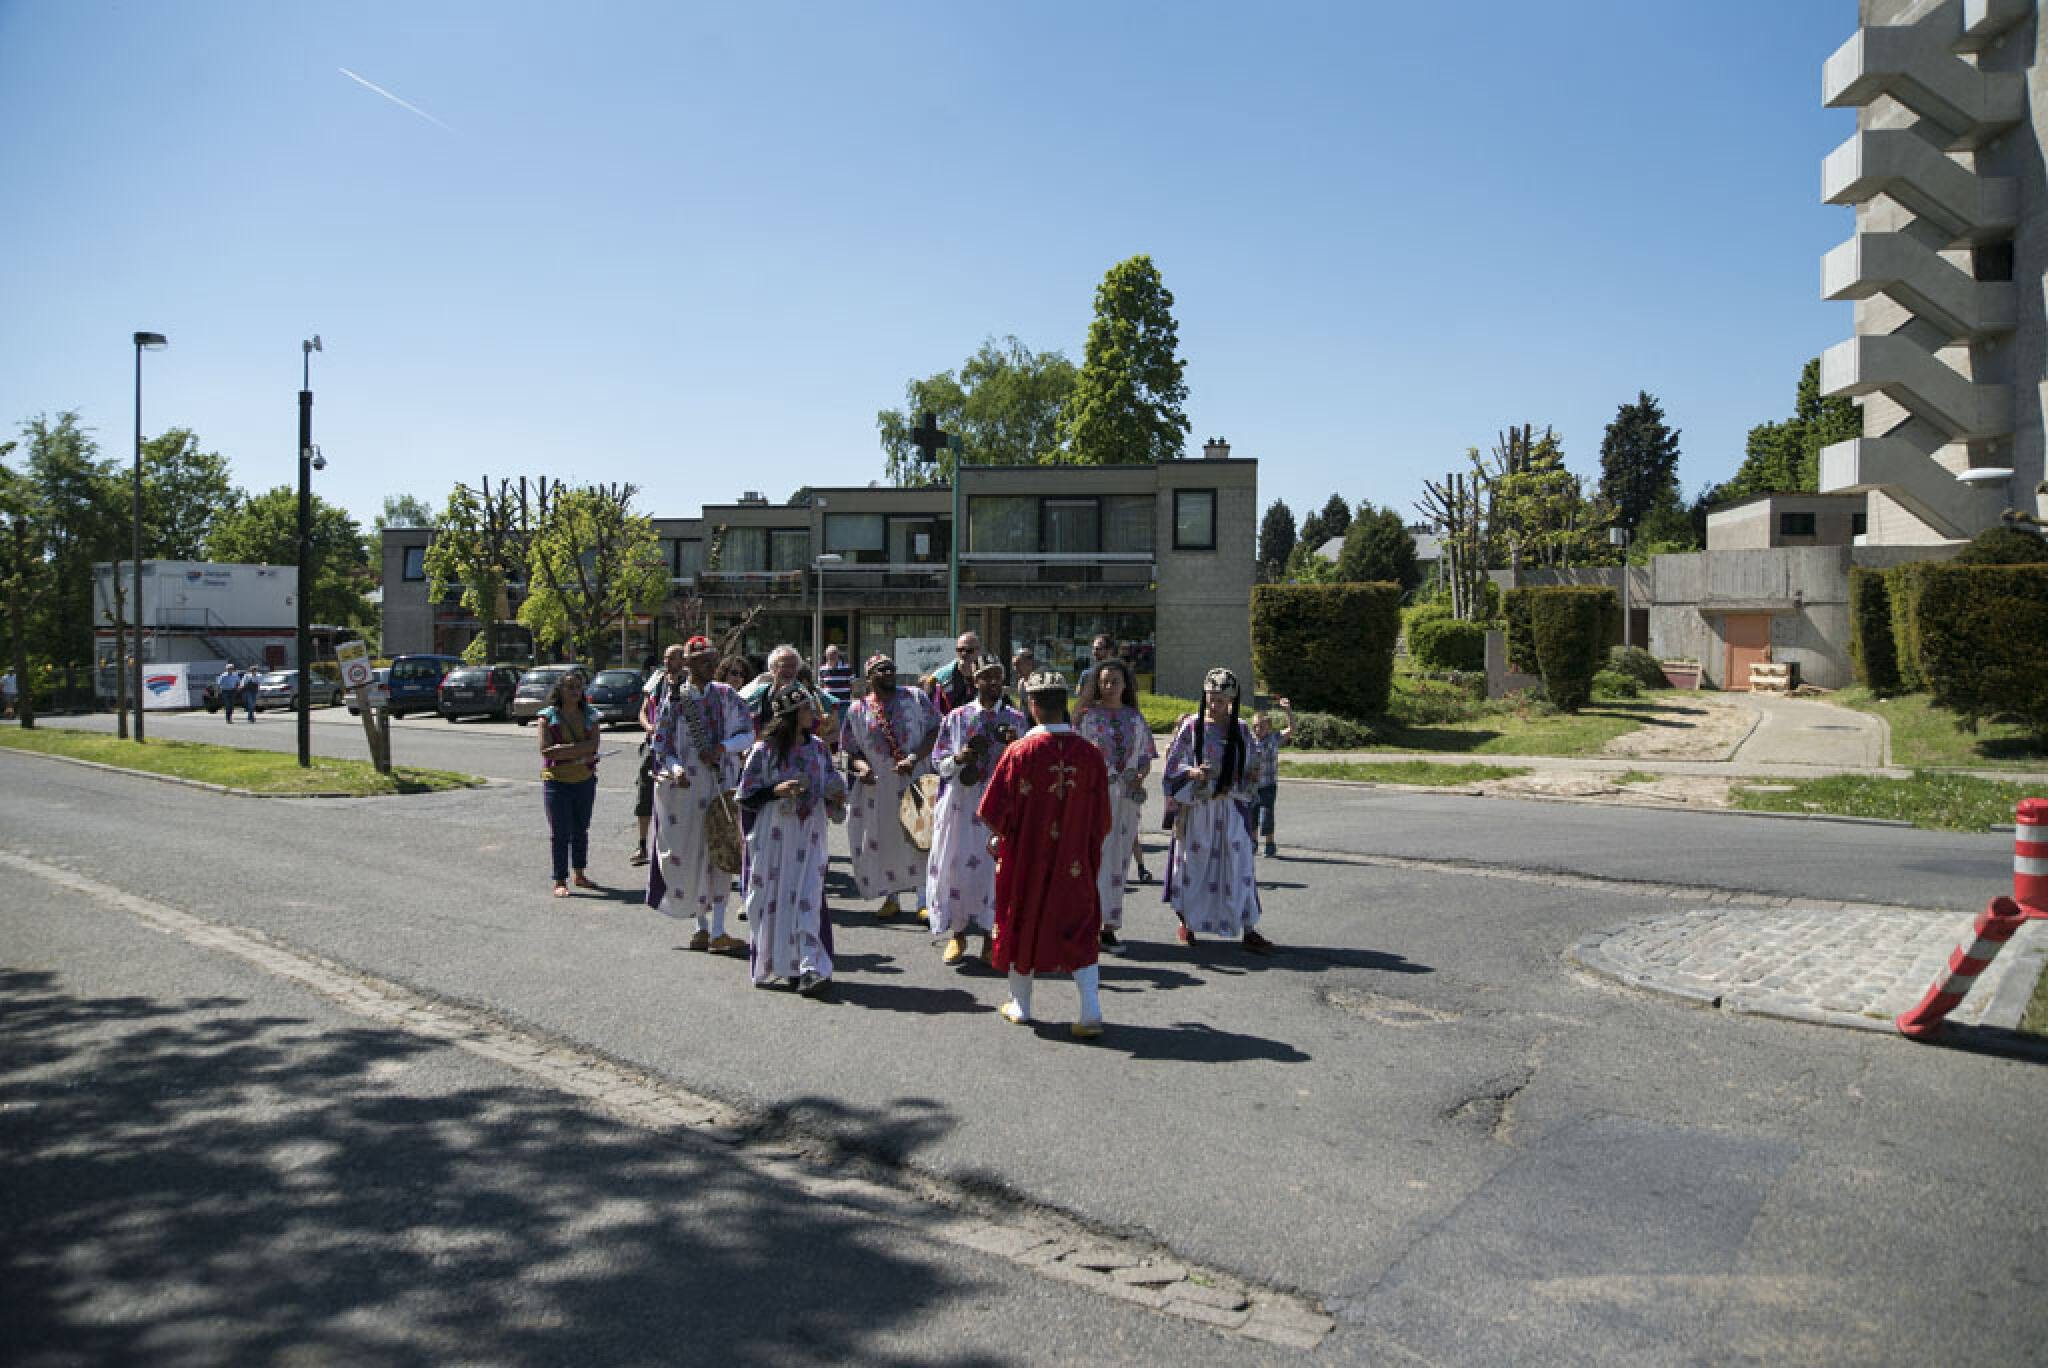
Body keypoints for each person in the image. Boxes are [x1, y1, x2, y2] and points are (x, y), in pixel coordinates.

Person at [976, 670, 1113, 1037]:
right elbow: (1102, 819)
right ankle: (1090, 1008)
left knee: (1021, 920)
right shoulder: (1091, 754)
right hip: (1074, 859)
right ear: (1064, 704)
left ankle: (1020, 1004)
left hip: (1027, 861)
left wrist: (1000, 838)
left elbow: (994, 811)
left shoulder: (1019, 752)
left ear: (1033, 705)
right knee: (1079, 925)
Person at [736, 687, 848, 996]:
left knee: (808, 896)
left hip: (810, 833)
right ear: (791, 715)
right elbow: (745, 795)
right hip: (775, 834)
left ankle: (810, 967)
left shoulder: (819, 748)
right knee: (773, 898)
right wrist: (776, 790)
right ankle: (784, 964)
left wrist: (837, 794)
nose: (813, 714)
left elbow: (832, 782)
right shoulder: (765, 751)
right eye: (807, 709)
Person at [646, 635, 754, 952]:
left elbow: (749, 733)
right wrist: (676, 769)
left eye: (712, 660)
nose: (710, 665)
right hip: (687, 793)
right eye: (703, 661)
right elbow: (662, 745)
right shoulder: (675, 699)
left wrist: (723, 748)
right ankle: (701, 927)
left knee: (721, 855)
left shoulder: (727, 696)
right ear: (689, 664)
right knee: (691, 856)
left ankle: (718, 929)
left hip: (722, 787)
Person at [924, 657, 1027, 966]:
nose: (993, 682)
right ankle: (958, 934)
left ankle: (989, 936)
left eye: (998, 677)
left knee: (992, 870)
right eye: (986, 677)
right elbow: (938, 762)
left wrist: (1015, 747)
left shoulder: (1016, 719)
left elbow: (1028, 763)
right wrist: (960, 758)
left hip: (1000, 805)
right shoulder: (957, 717)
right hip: (962, 803)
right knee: (955, 868)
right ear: (975, 681)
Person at [1162, 667, 1271, 952]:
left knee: (1239, 866)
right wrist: (1193, 772)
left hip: (1231, 806)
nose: (1215, 704)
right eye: (1211, 698)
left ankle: (1248, 928)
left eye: (1221, 700)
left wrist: (1250, 775)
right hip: (1199, 808)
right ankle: (1187, 922)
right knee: (1193, 866)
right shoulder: (1192, 726)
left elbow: (1253, 763)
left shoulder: (1241, 729)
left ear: (1231, 700)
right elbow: (1173, 765)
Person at [840, 653, 940, 919]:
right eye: (881, 670)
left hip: (915, 777)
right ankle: (891, 897)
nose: (888, 673)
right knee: (883, 839)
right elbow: (851, 749)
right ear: (869, 678)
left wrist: (914, 758)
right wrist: (862, 768)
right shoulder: (857, 710)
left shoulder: (915, 697)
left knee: (920, 837)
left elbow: (935, 730)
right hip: (879, 785)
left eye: (890, 668)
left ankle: (923, 900)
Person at [1074, 657, 1157, 953]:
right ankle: (1086, 924)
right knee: (1092, 859)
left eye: (1115, 682)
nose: (1109, 687)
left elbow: (1146, 758)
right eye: (1104, 682)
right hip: (1094, 798)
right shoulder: (1086, 717)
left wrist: (1139, 777)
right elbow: (1075, 757)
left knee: (1119, 861)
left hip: (1127, 801)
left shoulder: (1135, 719)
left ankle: (1109, 926)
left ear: (1125, 685)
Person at [537, 670, 603, 898]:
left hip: (584, 780)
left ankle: (580, 874)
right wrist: (580, 750)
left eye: (578, 687)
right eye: (570, 687)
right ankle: (560, 880)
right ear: (560, 690)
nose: (576, 691)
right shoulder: (547, 717)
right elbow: (546, 750)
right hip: (557, 781)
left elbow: (594, 746)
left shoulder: (590, 714)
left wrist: (563, 750)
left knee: (580, 829)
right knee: (560, 832)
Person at [1250, 697, 1296, 858]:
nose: (1258, 729)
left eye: (1261, 726)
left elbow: (1292, 729)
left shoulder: (1274, 738)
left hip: (1268, 785)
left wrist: (1288, 710)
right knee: (1252, 814)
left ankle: (1270, 843)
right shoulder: (1249, 740)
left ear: (1269, 727)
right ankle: (1253, 842)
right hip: (1252, 785)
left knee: (1266, 814)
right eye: (1255, 726)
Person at [927, 631, 981, 715]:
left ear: (978, 651)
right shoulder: (938, 678)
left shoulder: (985, 677)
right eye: (960, 650)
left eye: (969, 650)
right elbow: (928, 707)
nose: (964, 653)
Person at [817, 644, 855, 716]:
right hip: (829, 704)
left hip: (843, 704)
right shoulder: (822, 669)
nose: (832, 657)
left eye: (834, 654)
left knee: (842, 723)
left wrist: (852, 700)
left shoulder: (847, 668)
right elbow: (821, 687)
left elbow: (853, 685)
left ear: (838, 655)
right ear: (826, 656)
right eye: (830, 655)